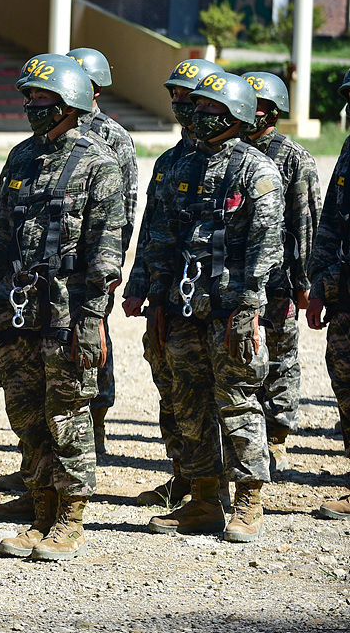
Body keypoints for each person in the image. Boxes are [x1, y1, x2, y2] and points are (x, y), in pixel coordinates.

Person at [0, 54, 124, 561]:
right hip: (16, 310)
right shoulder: (20, 158)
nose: (31, 106)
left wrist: (91, 320)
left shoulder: (99, 165)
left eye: (41, 99)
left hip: (66, 313)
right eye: (29, 98)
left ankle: (69, 517)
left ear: (70, 103)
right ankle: (40, 508)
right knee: (25, 413)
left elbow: (105, 253)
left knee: (67, 413)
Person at [145, 72, 283, 543]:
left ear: (236, 116)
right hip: (184, 308)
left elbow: (266, 248)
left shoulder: (257, 171)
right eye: (198, 109)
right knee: (189, 402)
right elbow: (161, 237)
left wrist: (247, 309)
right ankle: (204, 499)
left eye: (210, 110)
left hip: (230, 310)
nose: (199, 117)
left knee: (239, 400)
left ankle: (247, 500)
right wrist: (158, 298)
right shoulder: (182, 166)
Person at [123, 59, 224, 507]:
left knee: (215, 392)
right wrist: (139, 285)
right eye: (176, 97)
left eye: (191, 97)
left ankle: (216, 486)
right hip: (167, 294)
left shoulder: (233, 160)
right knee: (171, 387)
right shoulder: (169, 161)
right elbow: (151, 232)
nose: (181, 104)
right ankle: (182, 473)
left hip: (213, 299)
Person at [239, 71, 320, 476]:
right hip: (240, 277)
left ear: (269, 111)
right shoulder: (231, 151)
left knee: (281, 355)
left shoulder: (293, 157)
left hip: (281, 279)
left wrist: (306, 282)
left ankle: (276, 435)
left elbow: (305, 223)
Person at [66, 47, 137, 456]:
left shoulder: (113, 137)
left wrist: (108, 266)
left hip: (93, 261)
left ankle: (95, 425)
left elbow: (122, 211)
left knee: (92, 337)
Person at [306, 68, 350, 520]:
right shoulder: (349, 147)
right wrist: (320, 281)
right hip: (344, 288)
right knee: (343, 373)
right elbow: (332, 220)